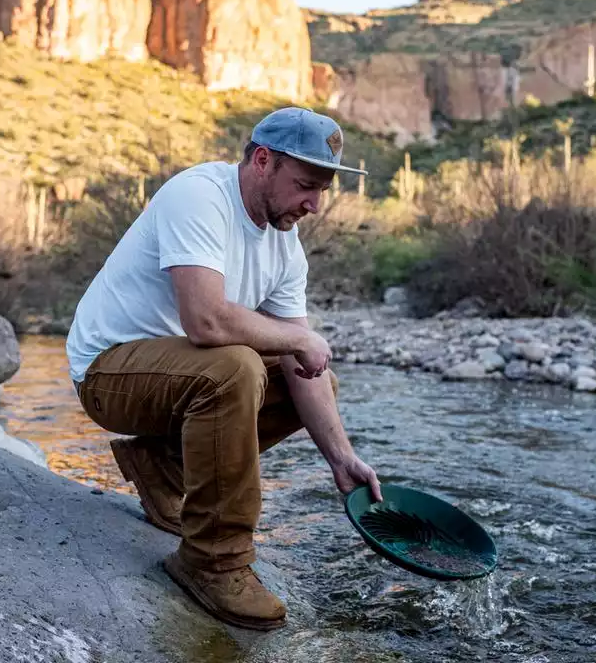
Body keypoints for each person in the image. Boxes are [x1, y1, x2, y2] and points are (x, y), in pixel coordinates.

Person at [65, 107, 383, 631]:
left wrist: (341, 459)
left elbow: (300, 362)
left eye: (323, 190)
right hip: (108, 373)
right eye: (306, 185)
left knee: (312, 375)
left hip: (177, 381)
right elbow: (206, 321)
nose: (314, 204)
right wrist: (298, 338)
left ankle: (162, 465)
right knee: (235, 367)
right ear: (262, 161)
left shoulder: (286, 246)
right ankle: (213, 561)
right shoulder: (199, 196)